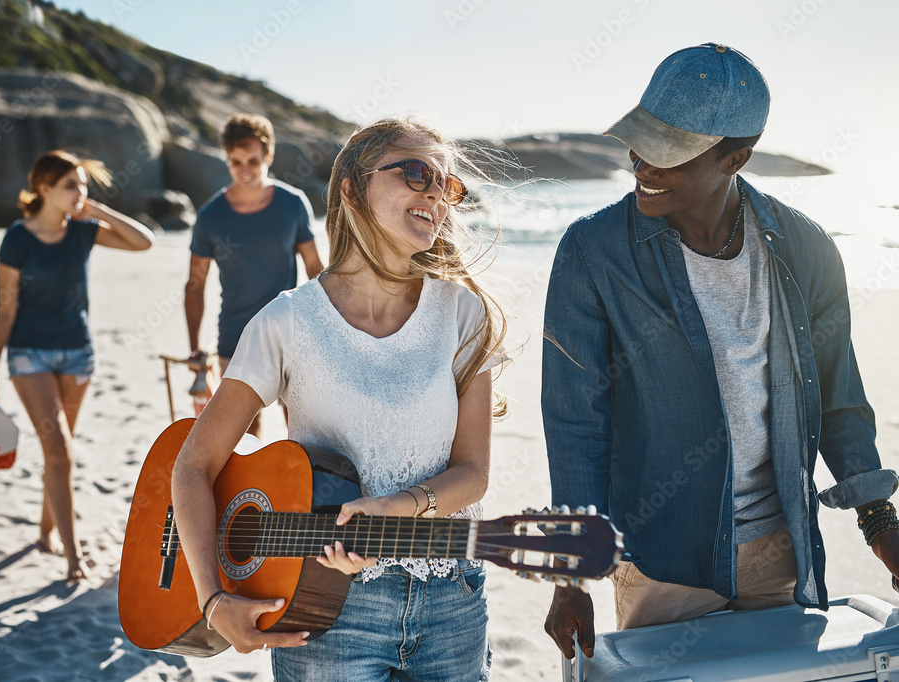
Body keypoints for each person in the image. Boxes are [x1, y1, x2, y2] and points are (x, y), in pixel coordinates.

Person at [541, 43, 899, 659]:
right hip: (660, 557)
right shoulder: (591, 252)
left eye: (669, 152)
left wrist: (880, 523)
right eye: (640, 140)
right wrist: (570, 577)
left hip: (780, 548)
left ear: (737, 157)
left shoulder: (808, 248)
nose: (641, 163)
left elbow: (838, 400)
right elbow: (576, 420)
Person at [171, 115, 507, 680]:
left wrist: (394, 509)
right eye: (417, 172)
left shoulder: (462, 313)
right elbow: (193, 465)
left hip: (454, 601)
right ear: (351, 188)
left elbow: (473, 473)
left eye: (446, 185)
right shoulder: (286, 322)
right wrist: (212, 600)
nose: (435, 194)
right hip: (324, 610)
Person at [0, 150, 155, 581]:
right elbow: (5, 310)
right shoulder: (17, 239)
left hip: (78, 354)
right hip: (28, 355)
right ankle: (73, 557)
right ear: (43, 189)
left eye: (84, 185)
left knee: (60, 452)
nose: (81, 194)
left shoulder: (83, 231)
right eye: (71, 186)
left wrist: (97, 209)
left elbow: (143, 241)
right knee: (60, 451)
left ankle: (45, 532)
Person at [184, 113, 323, 436]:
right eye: (236, 162)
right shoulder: (210, 216)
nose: (245, 170)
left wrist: (325, 326)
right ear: (227, 159)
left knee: (302, 429)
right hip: (235, 337)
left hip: (292, 331)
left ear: (269, 156)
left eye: (253, 161)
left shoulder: (293, 204)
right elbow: (195, 283)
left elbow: (316, 269)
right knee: (245, 436)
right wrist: (194, 348)